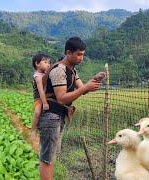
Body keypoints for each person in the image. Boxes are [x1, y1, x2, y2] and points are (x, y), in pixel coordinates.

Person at [37, 37, 105, 180]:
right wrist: (85, 87)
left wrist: (94, 80)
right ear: (68, 53)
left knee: (51, 156)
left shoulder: (71, 71)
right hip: (51, 116)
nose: (81, 58)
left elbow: (82, 90)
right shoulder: (59, 70)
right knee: (47, 159)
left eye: (83, 54)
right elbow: (61, 98)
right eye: (79, 54)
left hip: (57, 116)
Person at [31, 53, 51, 133]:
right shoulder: (38, 76)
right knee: (37, 112)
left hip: (45, 96)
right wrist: (45, 103)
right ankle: (33, 130)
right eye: (45, 62)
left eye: (49, 63)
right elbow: (41, 91)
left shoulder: (44, 74)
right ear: (37, 64)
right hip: (39, 97)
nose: (48, 65)